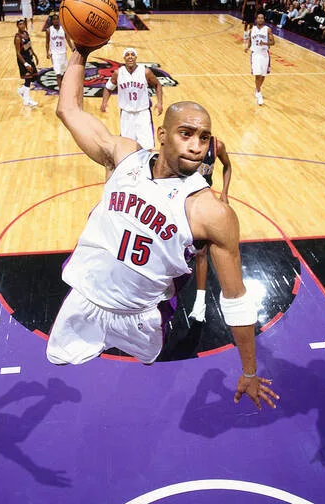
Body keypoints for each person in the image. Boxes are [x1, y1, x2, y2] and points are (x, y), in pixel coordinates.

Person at [49, 43, 280, 410]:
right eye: (186, 133)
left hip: (141, 315)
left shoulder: (210, 212)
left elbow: (235, 300)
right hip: (86, 296)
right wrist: (80, 50)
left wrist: (249, 371)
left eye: (203, 138)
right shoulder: (123, 156)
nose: (197, 146)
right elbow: (68, 108)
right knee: (59, 362)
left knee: (141, 378)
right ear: (161, 134)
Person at [188, 136, 232, 322]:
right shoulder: (185, 146)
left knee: (201, 252)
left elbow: (227, 166)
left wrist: (224, 193)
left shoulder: (217, 146)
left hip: (204, 202)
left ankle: (200, 304)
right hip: (184, 199)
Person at [100, 47, 164, 150]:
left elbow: (157, 85)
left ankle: (146, 164)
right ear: (124, 58)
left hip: (142, 112)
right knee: (127, 145)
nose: (130, 57)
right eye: (127, 55)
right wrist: (104, 102)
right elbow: (108, 88)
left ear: (136, 57)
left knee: (146, 144)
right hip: (126, 113)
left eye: (132, 55)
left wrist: (159, 102)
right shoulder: (118, 73)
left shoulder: (145, 72)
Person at [244, 13, 275, 105]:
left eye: (262, 18)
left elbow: (273, 42)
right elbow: (250, 40)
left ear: (264, 20)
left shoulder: (267, 29)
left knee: (262, 75)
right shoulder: (252, 29)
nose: (260, 19)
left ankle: (257, 88)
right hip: (255, 54)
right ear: (256, 19)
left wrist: (265, 43)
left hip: (264, 54)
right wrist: (247, 47)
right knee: (257, 75)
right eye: (259, 18)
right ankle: (259, 93)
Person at [14, 18, 39, 107]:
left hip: (29, 57)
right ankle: (27, 100)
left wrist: (35, 55)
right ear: (17, 26)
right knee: (28, 79)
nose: (22, 26)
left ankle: (21, 91)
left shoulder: (26, 34)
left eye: (23, 24)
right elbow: (18, 53)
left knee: (34, 78)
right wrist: (25, 64)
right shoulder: (17, 37)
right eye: (20, 24)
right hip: (23, 59)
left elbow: (29, 46)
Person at [46, 13, 74, 91]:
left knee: (64, 73)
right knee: (58, 74)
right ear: (52, 21)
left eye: (57, 19)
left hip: (63, 53)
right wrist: (47, 52)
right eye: (54, 19)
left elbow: (68, 39)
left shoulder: (63, 29)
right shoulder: (49, 30)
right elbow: (47, 42)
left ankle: (65, 87)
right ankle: (61, 91)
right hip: (54, 54)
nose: (56, 20)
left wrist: (72, 48)